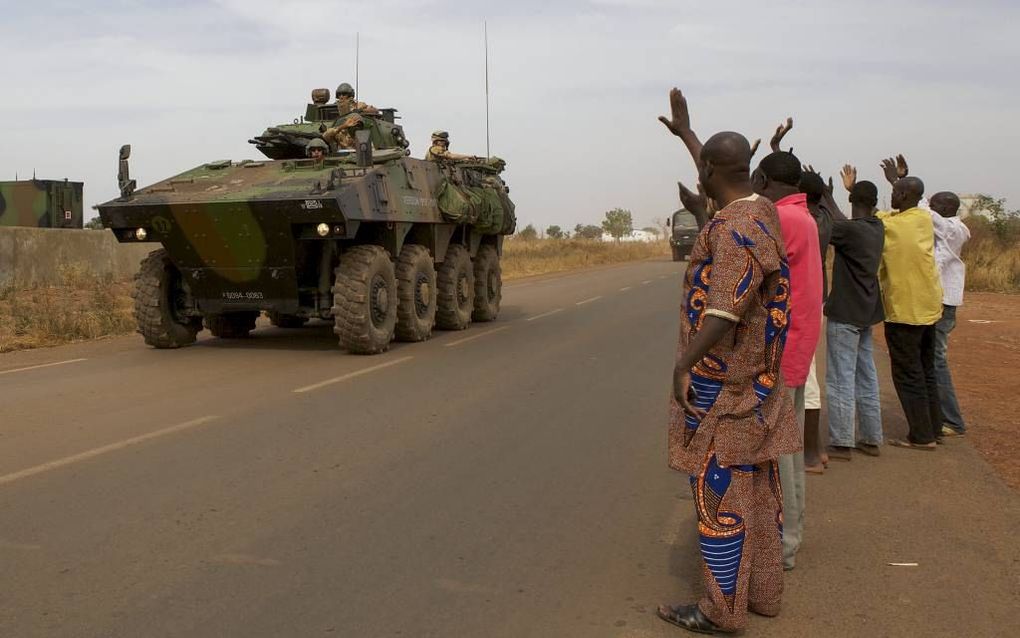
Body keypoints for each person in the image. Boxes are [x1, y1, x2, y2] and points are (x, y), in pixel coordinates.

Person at [657, 87, 799, 635]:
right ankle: (762, 592)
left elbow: (723, 311)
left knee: (719, 497)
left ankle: (720, 610)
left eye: (702, 165)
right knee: (759, 489)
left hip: (725, 390)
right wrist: (689, 134)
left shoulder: (734, 229)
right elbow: (720, 171)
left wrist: (683, 364)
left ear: (712, 172)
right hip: (757, 386)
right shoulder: (759, 209)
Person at [753, 151, 822, 570]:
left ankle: (783, 544)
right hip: (797, 347)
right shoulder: (804, 217)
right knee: (789, 449)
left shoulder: (782, 220)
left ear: (761, 178)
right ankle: (789, 536)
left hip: (782, 351)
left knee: (778, 453)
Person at [876, 170, 944, 450]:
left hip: (905, 310)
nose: (890, 195)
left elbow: (869, 222)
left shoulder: (893, 226)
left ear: (903, 195)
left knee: (908, 373)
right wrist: (897, 181)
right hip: (929, 307)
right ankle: (934, 427)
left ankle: (922, 435)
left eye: (894, 192)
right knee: (926, 369)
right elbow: (895, 214)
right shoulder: (922, 219)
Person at [823, 167, 886, 459]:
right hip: (866, 311)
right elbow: (845, 220)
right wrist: (846, 193)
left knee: (840, 378)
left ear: (853, 201)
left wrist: (824, 196)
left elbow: (834, 224)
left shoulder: (850, 230)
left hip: (846, 312)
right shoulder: (876, 227)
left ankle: (842, 441)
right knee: (866, 375)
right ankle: (871, 437)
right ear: (875, 202)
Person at [797, 170, 834, 473]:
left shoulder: (801, 221)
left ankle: (810, 452)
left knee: (806, 376)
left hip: (803, 303)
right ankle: (816, 448)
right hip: (817, 297)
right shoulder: (823, 219)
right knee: (809, 373)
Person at [928, 191, 970, 436]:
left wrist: (899, 182)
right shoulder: (941, 229)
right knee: (932, 359)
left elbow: (931, 218)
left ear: (947, 207)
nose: (930, 206)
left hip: (944, 303)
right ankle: (939, 415)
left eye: (934, 203)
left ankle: (952, 420)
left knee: (937, 359)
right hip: (935, 299)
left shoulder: (957, 229)